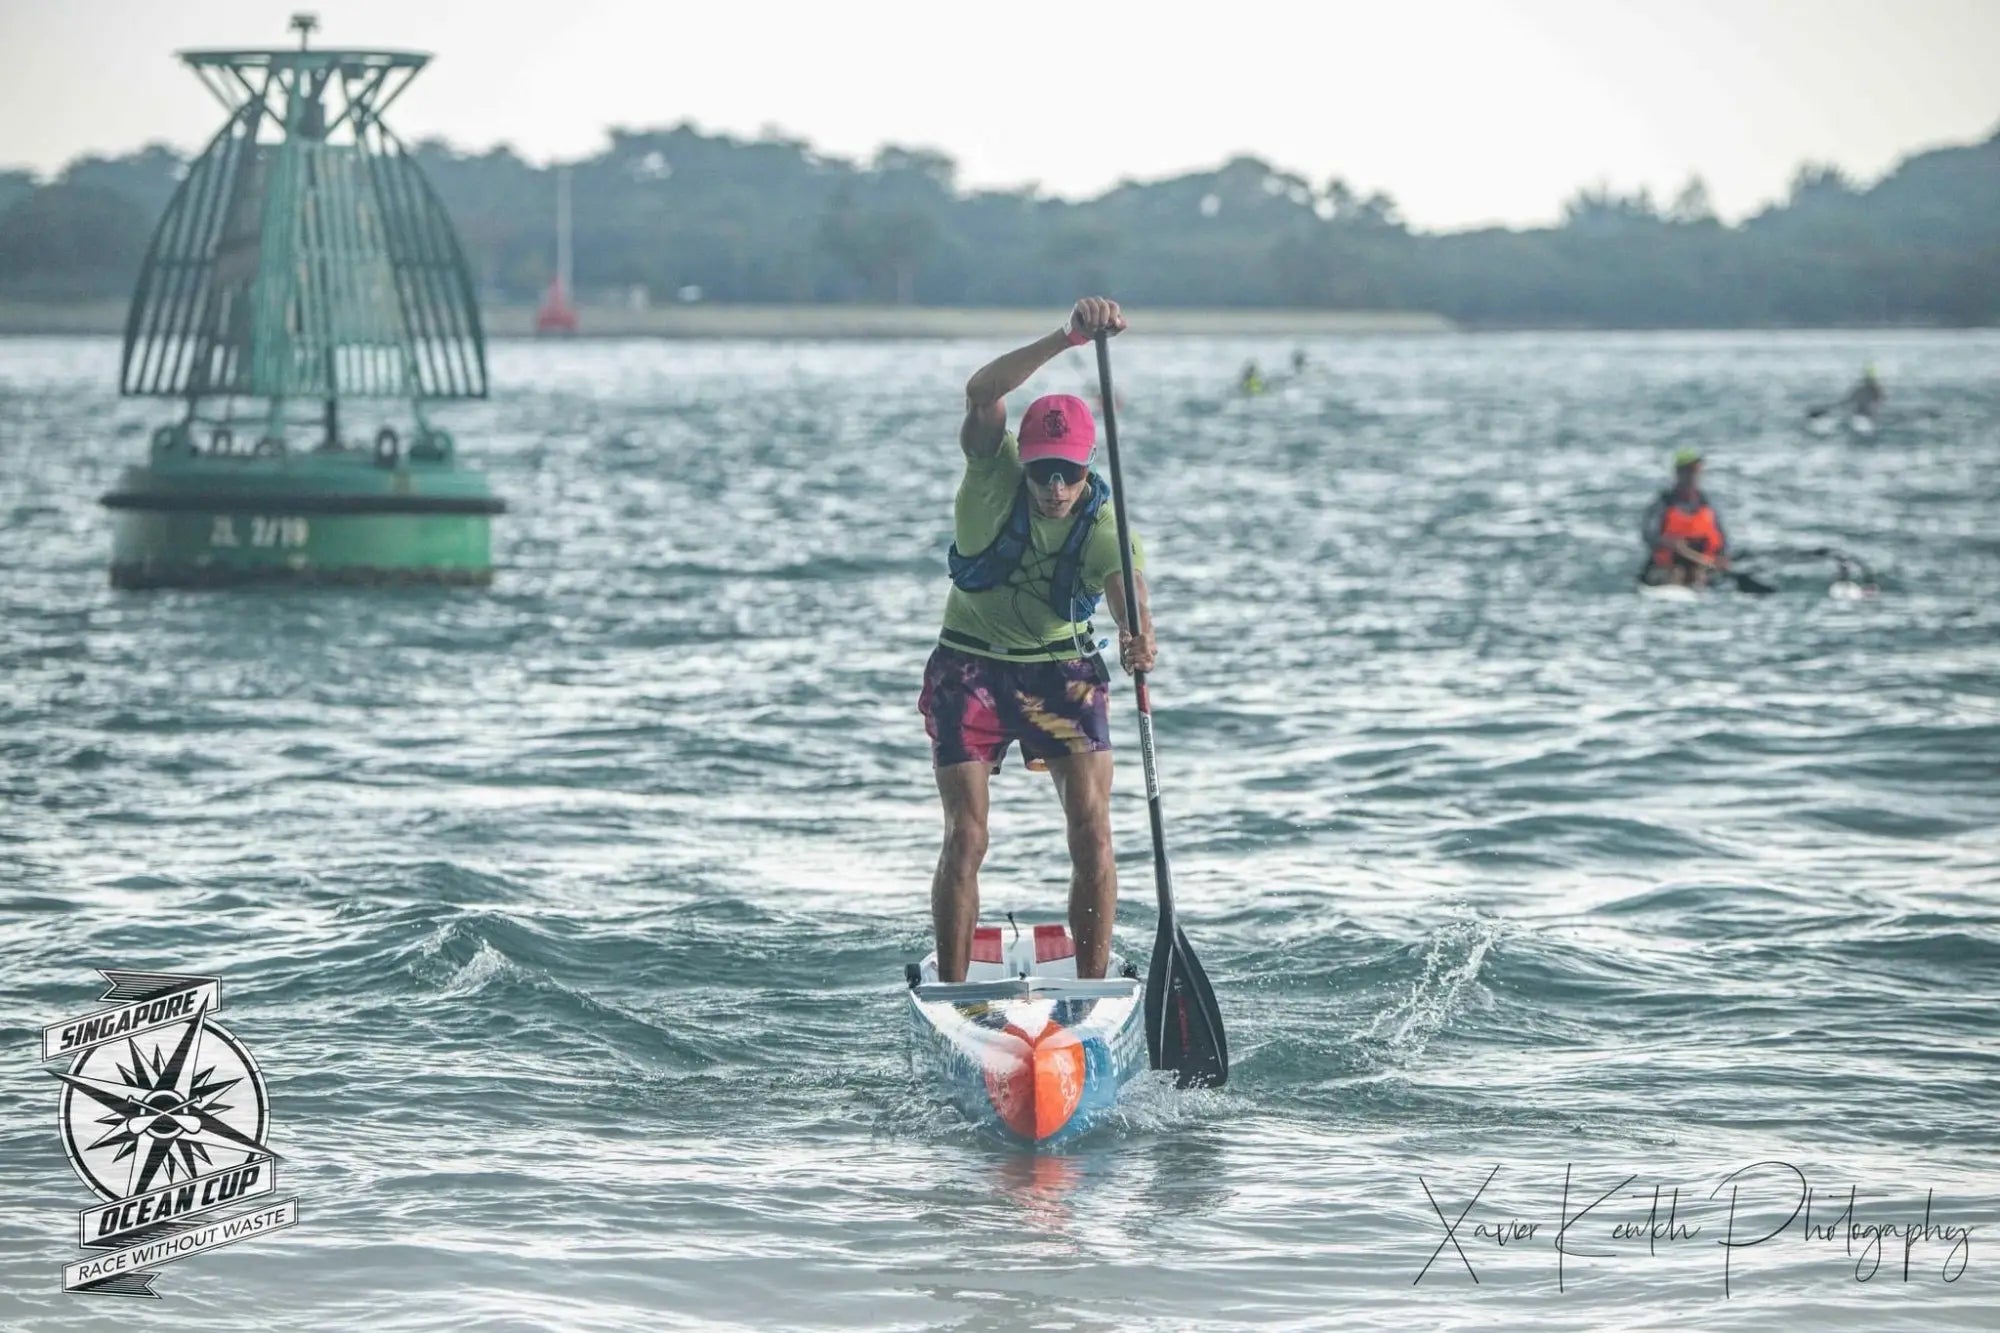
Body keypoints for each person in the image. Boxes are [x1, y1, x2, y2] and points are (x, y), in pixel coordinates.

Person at [921, 296, 1155, 983]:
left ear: (1088, 466)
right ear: (1024, 458)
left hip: (1062, 674)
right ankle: (955, 996)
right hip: (970, 670)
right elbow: (981, 390)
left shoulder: (1108, 521)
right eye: (1043, 469)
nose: (1055, 487)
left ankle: (1091, 991)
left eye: (1069, 472)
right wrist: (1068, 337)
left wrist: (1137, 633)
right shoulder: (992, 468)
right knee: (966, 836)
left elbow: (1125, 590)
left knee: (1094, 836)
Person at [1641, 449, 1730, 587]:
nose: (1692, 476)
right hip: (1669, 569)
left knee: (1701, 577)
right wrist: (1670, 543)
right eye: (1687, 471)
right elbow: (1649, 535)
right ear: (1678, 473)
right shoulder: (1663, 504)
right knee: (1676, 574)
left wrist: (1721, 558)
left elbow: (1722, 541)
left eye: (1695, 471)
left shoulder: (1706, 505)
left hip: (1704, 570)